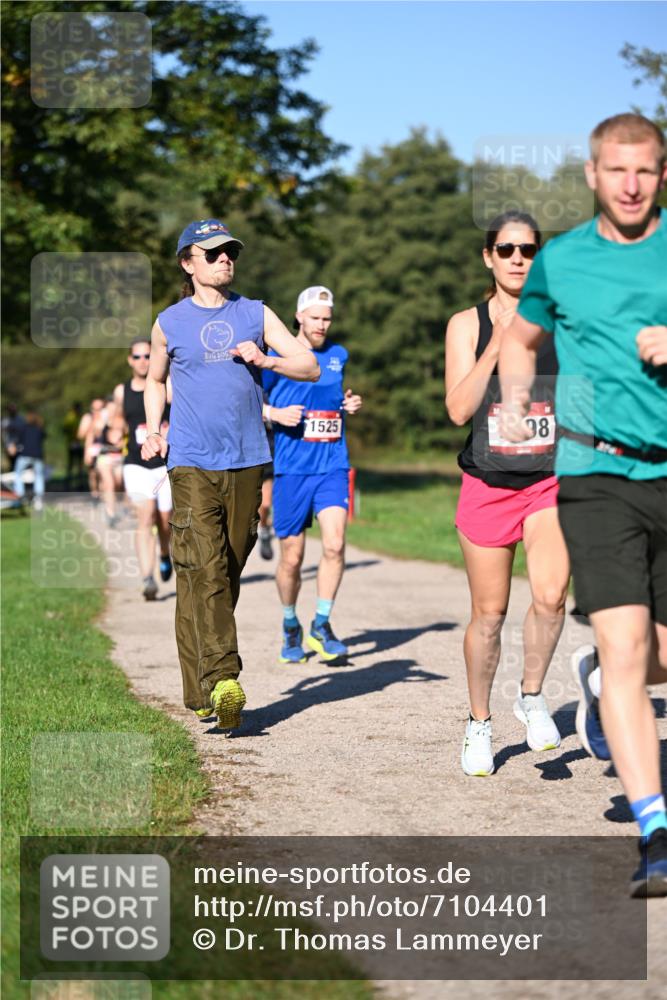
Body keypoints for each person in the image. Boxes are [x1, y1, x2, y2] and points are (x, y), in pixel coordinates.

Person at [498, 113, 667, 897]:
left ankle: (597, 680)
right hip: (595, 473)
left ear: (661, 174)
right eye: (616, 170)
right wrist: (513, 403)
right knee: (631, 648)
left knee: (645, 660)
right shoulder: (559, 262)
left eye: (646, 170)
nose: (630, 185)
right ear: (593, 176)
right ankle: (654, 830)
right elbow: (520, 341)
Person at [141, 218, 319, 729]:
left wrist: (266, 358)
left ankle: (197, 688)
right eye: (213, 252)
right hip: (191, 460)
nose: (225, 259)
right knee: (206, 567)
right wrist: (155, 429)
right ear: (187, 263)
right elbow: (155, 379)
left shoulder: (255, 314)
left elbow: (307, 365)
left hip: (247, 460)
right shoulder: (168, 322)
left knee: (219, 572)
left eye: (230, 252)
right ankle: (224, 680)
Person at [445, 212, 568, 777]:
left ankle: (534, 695)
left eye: (528, 249)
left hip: (550, 479)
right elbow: (457, 410)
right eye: (506, 248)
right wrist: (500, 342)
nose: (518, 258)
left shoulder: (563, 320)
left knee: (550, 596)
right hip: (488, 484)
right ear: (488, 257)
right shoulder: (466, 325)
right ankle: (478, 723)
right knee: (489, 616)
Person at [263, 286, 363, 665]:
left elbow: (331, 400)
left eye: (327, 318)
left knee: (335, 545)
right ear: (299, 317)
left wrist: (347, 404)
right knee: (292, 557)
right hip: (291, 469)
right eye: (316, 317)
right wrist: (274, 415)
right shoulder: (277, 355)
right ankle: (290, 624)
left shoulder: (338, 356)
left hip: (333, 465)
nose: (322, 324)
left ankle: (321, 622)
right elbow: (250, 403)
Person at [114, 339, 173, 601]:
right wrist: (115, 433)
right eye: (137, 357)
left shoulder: (167, 386)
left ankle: (164, 552)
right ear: (129, 360)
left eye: (147, 356)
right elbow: (118, 419)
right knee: (145, 517)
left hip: (164, 464)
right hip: (136, 463)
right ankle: (147, 578)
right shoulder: (121, 391)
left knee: (165, 520)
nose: (142, 361)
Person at [84, 397, 124, 525]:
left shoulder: (122, 421)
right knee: (109, 483)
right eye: (109, 409)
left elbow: (127, 438)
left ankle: (112, 502)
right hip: (104, 457)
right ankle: (110, 512)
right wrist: (87, 452)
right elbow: (90, 436)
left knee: (118, 483)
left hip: (118, 457)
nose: (111, 411)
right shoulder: (99, 422)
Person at [13, 410, 47, 510]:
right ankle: (38, 499)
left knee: (18, 473)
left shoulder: (23, 428)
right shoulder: (39, 429)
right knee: (39, 476)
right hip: (37, 456)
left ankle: (20, 494)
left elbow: (19, 442)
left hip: (25, 455)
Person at [62, 401, 84, 490]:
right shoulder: (70, 417)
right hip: (72, 443)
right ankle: (68, 483)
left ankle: (80, 483)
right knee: (71, 464)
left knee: (80, 465)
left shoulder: (81, 417)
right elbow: (64, 429)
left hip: (80, 443)